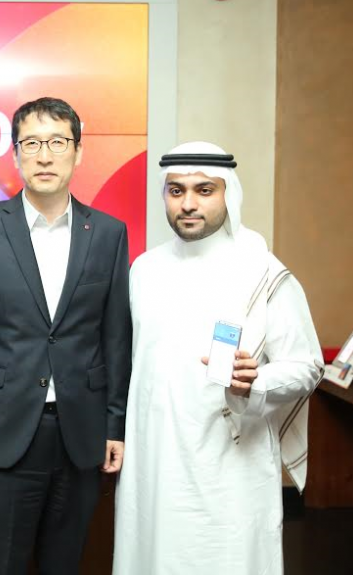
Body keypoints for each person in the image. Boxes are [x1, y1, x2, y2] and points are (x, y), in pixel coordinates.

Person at [0, 97, 132, 574]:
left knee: (65, 563)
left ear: (78, 151)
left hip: (80, 430)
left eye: (58, 143)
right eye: (32, 144)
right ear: (15, 153)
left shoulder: (108, 233)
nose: (45, 156)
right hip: (3, 429)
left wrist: (115, 425)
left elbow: (115, 335)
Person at [113, 142, 324, 575]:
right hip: (154, 464)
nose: (188, 204)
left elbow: (307, 365)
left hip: (233, 469)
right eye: (176, 191)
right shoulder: (143, 271)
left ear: (229, 193)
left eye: (204, 190)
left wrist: (257, 381)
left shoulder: (263, 271)